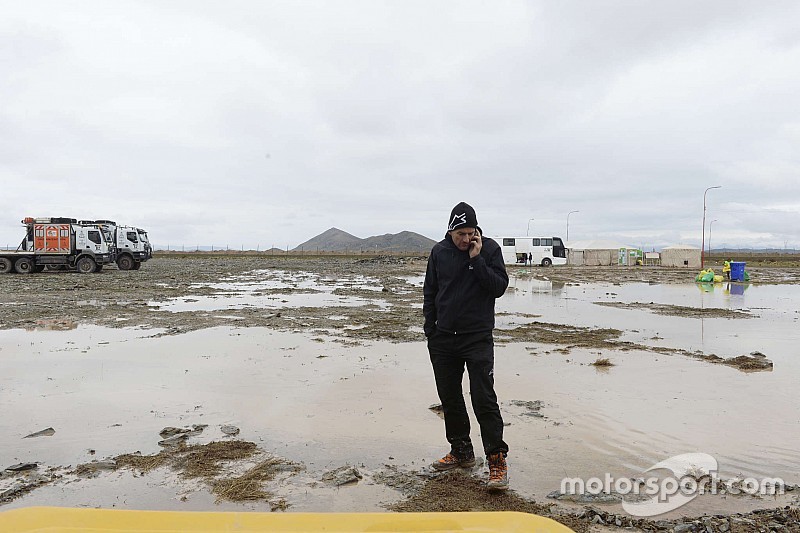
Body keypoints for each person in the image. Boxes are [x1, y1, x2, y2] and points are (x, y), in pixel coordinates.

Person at [423, 202, 510, 491]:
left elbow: (497, 287)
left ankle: (496, 459)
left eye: (470, 233)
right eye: (460, 234)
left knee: (483, 398)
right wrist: (430, 332)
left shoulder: (489, 250)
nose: (465, 239)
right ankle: (461, 451)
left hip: (477, 338)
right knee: (450, 398)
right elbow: (431, 292)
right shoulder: (439, 252)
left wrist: (476, 259)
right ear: (451, 231)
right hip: (444, 339)